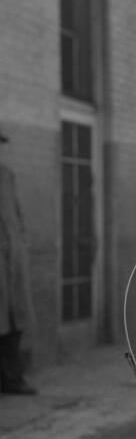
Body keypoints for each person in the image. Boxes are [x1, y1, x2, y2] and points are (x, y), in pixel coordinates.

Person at [0, 129, 36, 395]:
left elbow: (18, 216)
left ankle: (13, 379)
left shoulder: (7, 176)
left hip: (13, 261)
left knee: (15, 321)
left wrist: (19, 244)